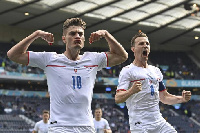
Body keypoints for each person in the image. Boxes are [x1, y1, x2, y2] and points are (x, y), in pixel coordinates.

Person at [7, 18, 128, 133]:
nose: (77, 36)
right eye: (73, 33)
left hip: (86, 126)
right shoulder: (50, 59)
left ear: (84, 39)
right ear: (64, 39)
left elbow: (122, 56)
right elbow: (13, 55)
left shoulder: (93, 59)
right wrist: (36, 34)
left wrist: (107, 35)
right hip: (59, 126)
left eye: (80, 34)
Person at [115, 32, 191, 133]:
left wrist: (182, 99)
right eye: (141, 44)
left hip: (158, 122)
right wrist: (131, 91)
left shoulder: (156, 71)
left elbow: (164, 97)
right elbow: (118, 98)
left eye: (147, 44)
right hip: (140, 124)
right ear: (133, 49)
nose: (145, 46)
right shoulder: (127, 71)